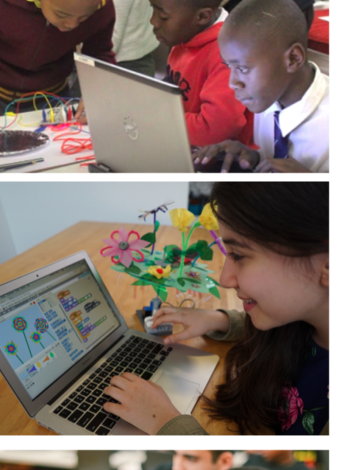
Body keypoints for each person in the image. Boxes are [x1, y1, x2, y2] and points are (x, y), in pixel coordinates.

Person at [103, 182, 328, 435]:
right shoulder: (303, 323)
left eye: (239, 255)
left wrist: (164, 421)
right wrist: (219, 320)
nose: (225, 279)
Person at [192, 0, 328, 173]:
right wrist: (256, 158)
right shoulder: (269, 98)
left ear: (294, 59)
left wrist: (311, 184)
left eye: (242, 68)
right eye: (228, 66)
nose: (232, 83)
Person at [150, 0, 254, 147]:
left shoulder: (227, 55)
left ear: (202, 17)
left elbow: (213, 130)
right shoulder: (185, 34)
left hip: (216, 161)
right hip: (178, 140)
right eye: (153, 10)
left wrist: (156, 118)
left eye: (163, 16)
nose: (153, 21)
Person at [0, 0, 116, 114]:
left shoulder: (101, 4)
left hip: (53, 99)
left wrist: (97, 91)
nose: (71, 25)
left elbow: (100, 53)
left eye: (84, 17)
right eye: (61, 15)